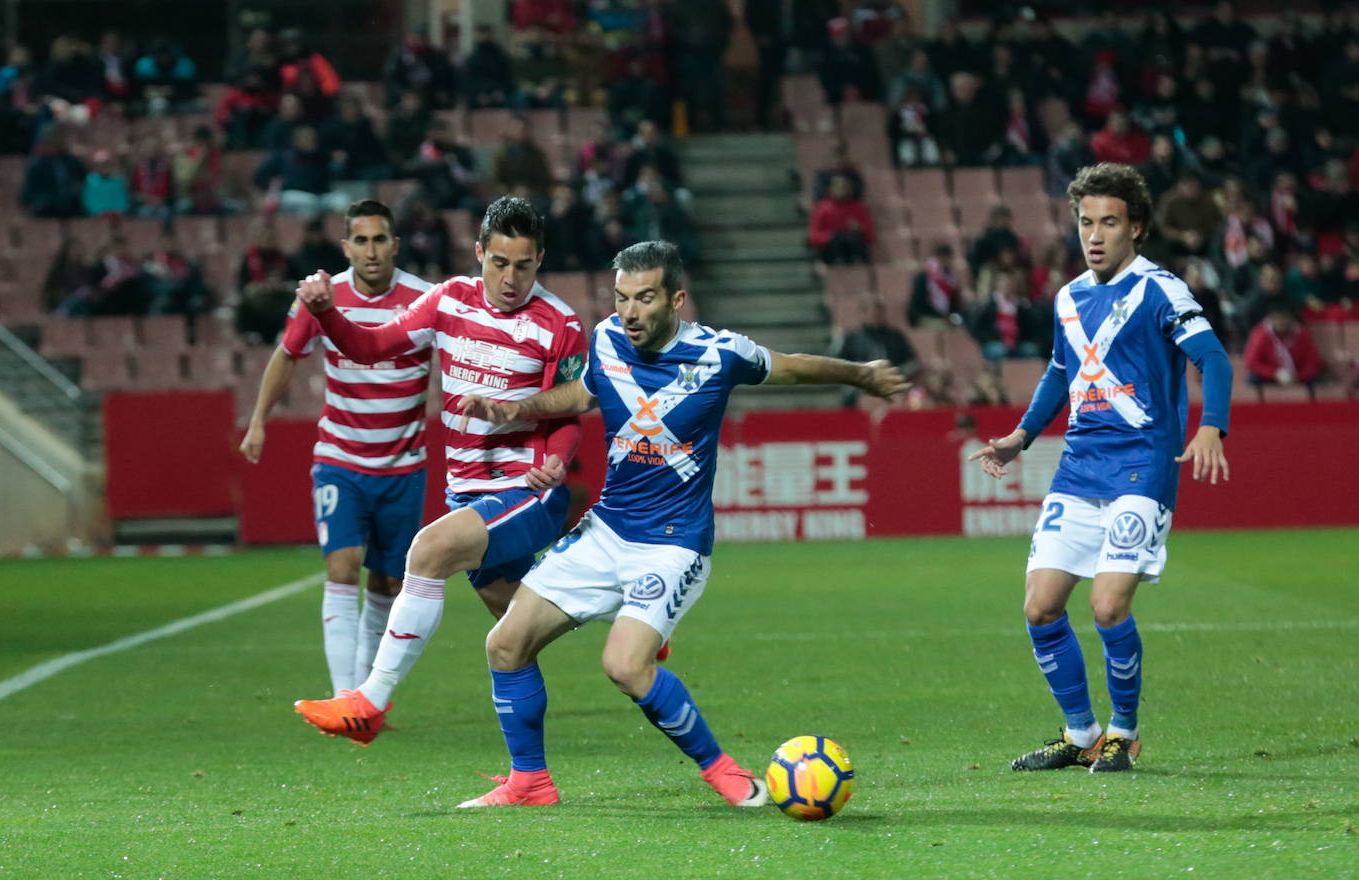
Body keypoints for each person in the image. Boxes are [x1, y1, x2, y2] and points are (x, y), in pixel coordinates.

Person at [443, 240, 907, 808]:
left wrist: (860, 375)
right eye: (621, 298)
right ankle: (530, 783)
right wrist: (518, 408)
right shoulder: (607, 337)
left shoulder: (720, 353)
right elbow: (585, 390)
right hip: (607, 530)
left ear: (676, 299)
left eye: (643, 299)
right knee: (506, 643)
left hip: (672, 544)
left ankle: (722, 771)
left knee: (624, 665)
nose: (629, 312)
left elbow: (790, 368)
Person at [289, 197, 588, 745]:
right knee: (518, 631)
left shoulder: (560, 323)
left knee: (426, 553)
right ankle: (627, 607)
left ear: (539, 260)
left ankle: (368, 702)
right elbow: (372, 347)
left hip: (527, 491)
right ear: (479, 253)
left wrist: (555, 460)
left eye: (523, 265)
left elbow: (568, 416)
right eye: (499, 262)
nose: (509, 278)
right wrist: (327, 311)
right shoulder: (448, 300)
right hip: (468, 495)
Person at [968, 163, 1232, 774]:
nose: (1094, 234)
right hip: (1080, 468)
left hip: (1143, 465)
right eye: (1086, 222)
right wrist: (1021, 436)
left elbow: (1212, 358)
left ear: (1136, 227)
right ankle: (1080, 731)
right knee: (1040, 606)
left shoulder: (1160, 289)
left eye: (1109, 222)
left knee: (1109, 606)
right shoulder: (1068, 297)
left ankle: (1124, 731)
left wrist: (1212, 425)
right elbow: (1062, 373)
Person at [240, 200, 435, 698]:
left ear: (395, 244)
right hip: (341, 460)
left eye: (380, 240)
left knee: (388, 585)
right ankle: (344, 697)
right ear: (346, 246)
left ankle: (367, 695)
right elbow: (287, 356)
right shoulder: (323, 297)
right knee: (342, 566)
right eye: (361, 241)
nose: (371, 251)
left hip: (403, 467)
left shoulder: (425, 299)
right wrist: (259, 420)